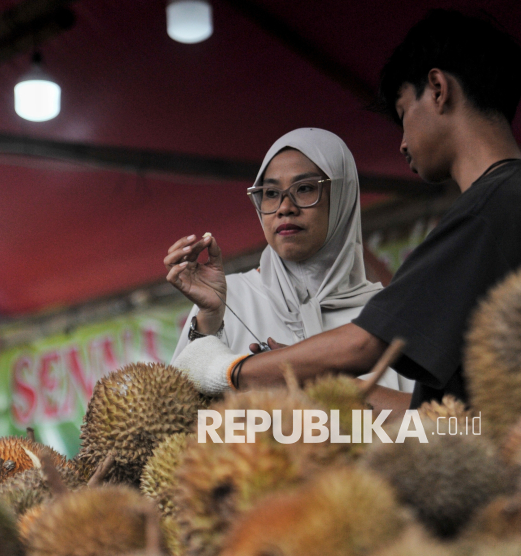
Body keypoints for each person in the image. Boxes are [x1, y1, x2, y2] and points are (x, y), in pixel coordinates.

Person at [172, 9, 521, 415]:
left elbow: (364, 345)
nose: (402, 144)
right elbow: (436, 416)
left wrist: (230, 371)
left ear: (437, 88)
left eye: (402, 114)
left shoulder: (491, 208)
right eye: (270, 194)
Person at [166, 128, 412, 393]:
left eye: (304, 188)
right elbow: (182, 421)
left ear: (342, 196)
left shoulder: (387, 318)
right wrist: (209, 321)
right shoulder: (228, 299)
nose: (284, 207)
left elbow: (425, 424)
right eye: (271, 193)